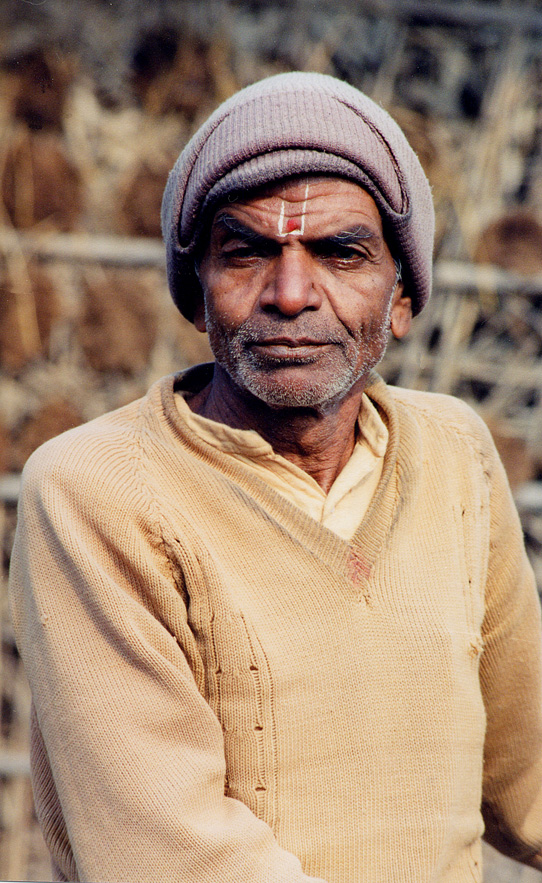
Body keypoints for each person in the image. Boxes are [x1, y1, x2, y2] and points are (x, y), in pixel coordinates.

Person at [8, 72, 542, 883]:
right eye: (247, 252)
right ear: (197, 296)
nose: (291, 294)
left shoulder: (455, 454)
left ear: (402, 299)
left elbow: (527, 770)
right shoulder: (97, 488)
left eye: (341, 253)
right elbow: (170, 853)